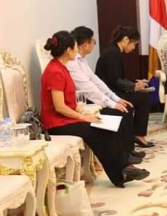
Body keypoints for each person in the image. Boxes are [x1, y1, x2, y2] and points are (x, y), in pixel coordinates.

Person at [40, 30, 149, 188]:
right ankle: (121, 173)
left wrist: (81, 111)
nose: (78, 50)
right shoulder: (55, 71)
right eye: (76, 47)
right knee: (99, 131)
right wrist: (83, 117)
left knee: (106, 127)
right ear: (68, 50)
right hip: (57, 124)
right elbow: (59, 106)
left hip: (67, 119)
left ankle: (124, 170)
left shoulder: (62, 68)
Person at [67, 26, 145, 164]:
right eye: (93, 41)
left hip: (94, 97)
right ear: (85, 44)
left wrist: (116, 99)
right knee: (121, 112)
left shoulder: (81, 61)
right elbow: (88, 88)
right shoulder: (72, 63)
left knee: (125, 107)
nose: (94, 44)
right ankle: (123, 155)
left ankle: (127, 151)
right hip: (86, 101)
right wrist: (112, 104)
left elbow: (96, 81)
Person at [95, 26, 153, 148]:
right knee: (143, 99)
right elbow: (115, 81)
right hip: (109, 93)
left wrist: (135, 84)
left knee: (142, 97)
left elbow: (117, 78)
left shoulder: (113, 51)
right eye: (134, 44)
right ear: (126, 39)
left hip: (112, 90)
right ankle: (138, 135)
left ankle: (137, 134)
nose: (134, 48)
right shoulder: (112, 53)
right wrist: (134, 86)